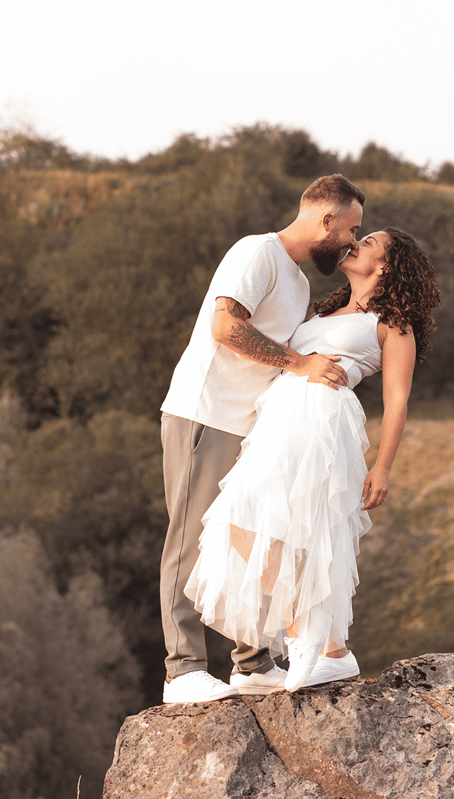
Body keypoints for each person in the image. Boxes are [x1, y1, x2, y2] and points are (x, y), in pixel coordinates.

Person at [184, 226, 440, 692]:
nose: (355, 244)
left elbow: (397, 400)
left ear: (384, 266)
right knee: (241, 521)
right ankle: (332, 649)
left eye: (369, 243)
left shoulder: (392, 322)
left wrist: (382, 466)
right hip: (279, 417)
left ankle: (310, 636)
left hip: (321, 422)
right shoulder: (325, 309)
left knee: (299, 531)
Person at [156, 174, 366, 704]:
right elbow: (225, 328)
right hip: (206, 415)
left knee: (246, 533)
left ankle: (251, 664)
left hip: (250, 425)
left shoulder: (297, 282)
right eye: (351, 229)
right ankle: (182, 671)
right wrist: (301, 364)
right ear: (326, 219)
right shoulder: (256, 253)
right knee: (190, 537)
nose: (352, 242)